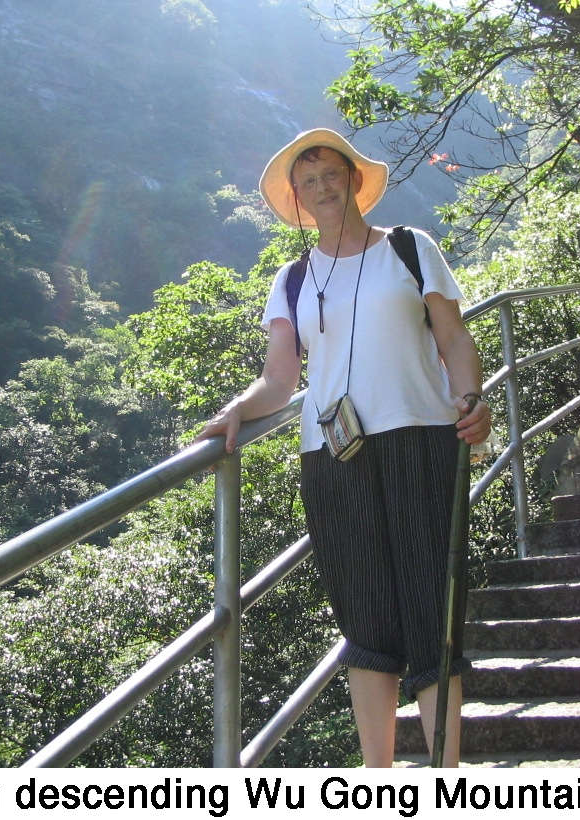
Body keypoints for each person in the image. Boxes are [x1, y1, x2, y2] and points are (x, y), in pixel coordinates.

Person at [196, 129, 490, 767]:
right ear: (297, 200)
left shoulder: (411, 250)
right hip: (334, 458)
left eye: (332, 173)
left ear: (355, 179)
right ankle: (378, 779)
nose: (323, 187)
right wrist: (238, 410)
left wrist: (471, 398)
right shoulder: (292, 279)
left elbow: (454, 339)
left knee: (431, 614)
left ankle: (446, 778)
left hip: (424, 439)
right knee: (364, 618)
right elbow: (280, 379)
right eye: (309, 182)